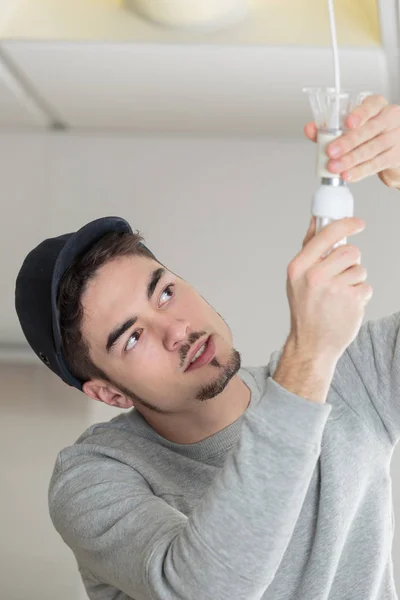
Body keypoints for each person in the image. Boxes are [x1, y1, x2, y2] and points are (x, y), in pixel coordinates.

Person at [14, 94, 400, 599]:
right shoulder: (94, 476)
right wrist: (308, 357)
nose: (176, 330)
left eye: (165, 292)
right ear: (108, 394)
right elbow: (207, 589)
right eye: (132, 337)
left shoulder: (351, 375)